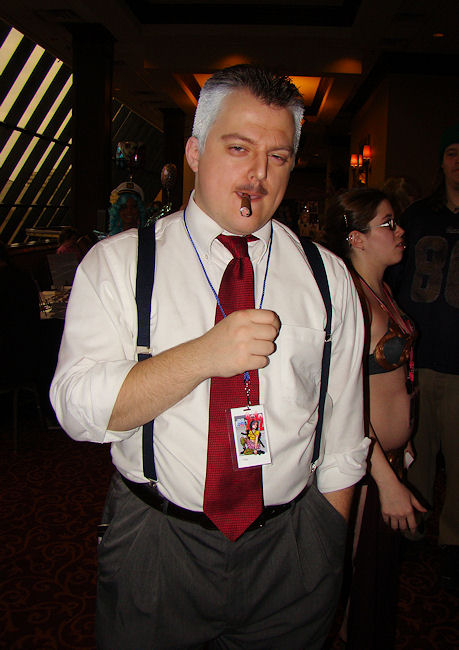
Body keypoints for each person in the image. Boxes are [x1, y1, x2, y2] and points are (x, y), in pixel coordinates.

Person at [50, 65, 369, 649]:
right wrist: (200, 357)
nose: (258, 174)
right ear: (195, 152)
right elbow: (77, 411)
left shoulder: (328, 279)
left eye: (278, 156)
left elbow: (344, 437)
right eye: (238, 148)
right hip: (158, 543)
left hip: (292, 547)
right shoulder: (119, 264)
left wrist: (325, 546)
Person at [324, 188, 426, 649]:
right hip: (366, 469)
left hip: (388, 456)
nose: (400, 230)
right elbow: (344, 401)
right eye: (388, 223)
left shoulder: (380, 291)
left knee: (374, 583)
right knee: (354, 583)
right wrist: (387, 482)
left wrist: (404, 440)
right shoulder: (354, 302)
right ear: (357, 238)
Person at [390, 124, 459, 594]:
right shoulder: (416, 217)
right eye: (452, 152)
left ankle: (453, 543)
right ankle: (411, 528)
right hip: (419, 361)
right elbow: (392, 284)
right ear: (441, 161)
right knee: (417, 454)